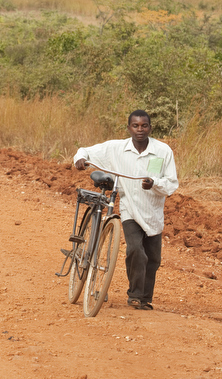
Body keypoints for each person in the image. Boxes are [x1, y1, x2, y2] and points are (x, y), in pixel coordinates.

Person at [74, 109, 178, 311]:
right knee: (135, 250)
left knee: (153, 259)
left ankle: (145, 298)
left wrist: (155, 183)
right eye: (136, 126)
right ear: (129, 128)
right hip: (130, 209)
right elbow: (85, 151)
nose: (140, 129)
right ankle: (136, 295)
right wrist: (79, 159)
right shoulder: (117, 148)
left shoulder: (163, 151)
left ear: (150, 127)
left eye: (144, 125)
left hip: (154, 213)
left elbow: (172, 184)